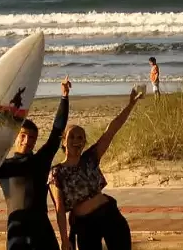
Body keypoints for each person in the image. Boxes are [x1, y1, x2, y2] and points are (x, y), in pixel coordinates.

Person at [50, 87, 143, 250]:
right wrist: (64, 240)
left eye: (80, 137)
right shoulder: (56, 172)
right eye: (71, 136)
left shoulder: (90, 159)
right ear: (63, 142)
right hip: (85, 225)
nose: (76, 140)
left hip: (110, 215)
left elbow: (111, 131)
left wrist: (131, 105)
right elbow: (60, 210)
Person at [0, 76, 71, 250]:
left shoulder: (40, 161)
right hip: (17, 231)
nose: (27, 140)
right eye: (23, 135)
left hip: (42, 232)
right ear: (15, 137)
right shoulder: (1, 167)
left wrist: (64, 97)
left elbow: (57, 131)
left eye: (32, 138)